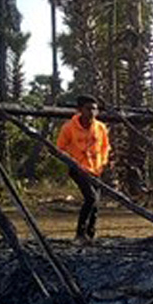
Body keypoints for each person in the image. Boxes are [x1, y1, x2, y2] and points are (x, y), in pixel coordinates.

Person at [56, 94, 111, 243]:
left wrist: (103, 162)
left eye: (95, 109)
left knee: (96, 203)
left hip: (96, 169)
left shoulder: (100, 127)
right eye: (89, 109)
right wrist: (73, 162)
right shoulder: (68, 127)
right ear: (79, 110)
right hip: (78, 169)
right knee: (91, 198)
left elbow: (106, 147)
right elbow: (60, 148)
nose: (92, 112)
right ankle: (80, 234)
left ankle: (90, 235)